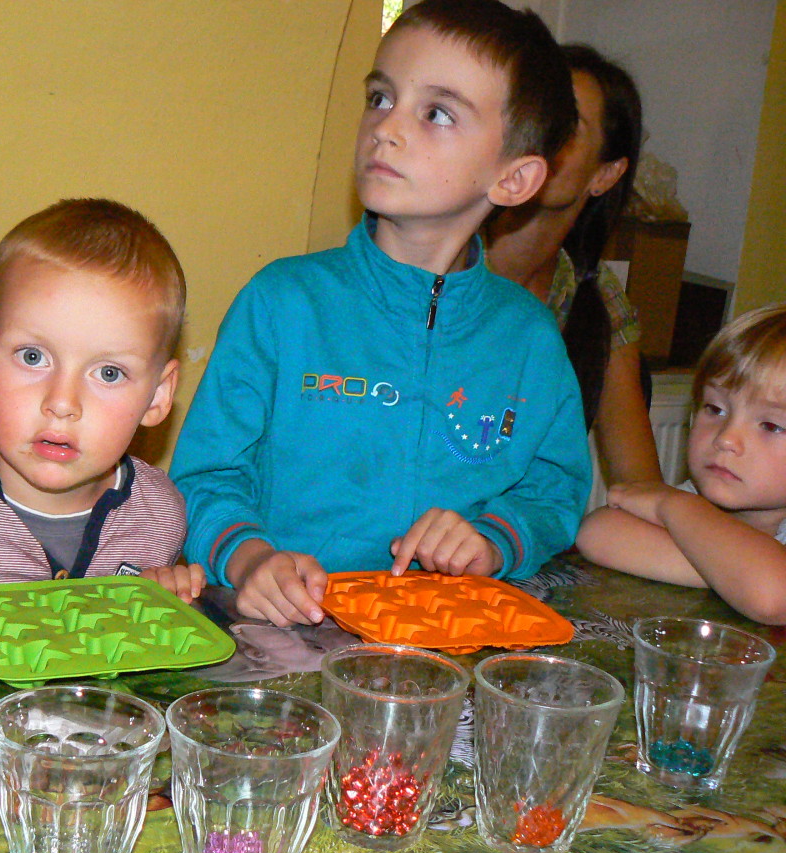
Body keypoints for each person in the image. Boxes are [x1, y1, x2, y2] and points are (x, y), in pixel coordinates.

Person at [170, 0, 590, 627]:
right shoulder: (283, 302)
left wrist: (493, 540)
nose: (386, 127)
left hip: (448, 642)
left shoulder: (528, 336)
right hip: (284, 634)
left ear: (513, 179)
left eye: (437, 113)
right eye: (380, 98)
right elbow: (205, 478)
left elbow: (554, 491)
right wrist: (253, 559)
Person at [0, 197, 203, 633]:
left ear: (158, 395)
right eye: (33, 356)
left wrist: (162, 601)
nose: (62, 403)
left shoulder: (158, 518)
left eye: (108, 372)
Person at [487, 44, 662, 486]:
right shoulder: (441, 260)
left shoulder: (596, 296)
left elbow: (638, 483)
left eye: (566, 125)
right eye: (533, 114)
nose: (538, 136)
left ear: (605, 174)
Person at [577, 304, 786, 624]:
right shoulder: (695, 500)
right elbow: (598, 533)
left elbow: (772, 595)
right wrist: (733, 575)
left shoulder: (681, 506)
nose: (726, 438)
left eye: (771, 426)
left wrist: (673, 505)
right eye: (715, 409)